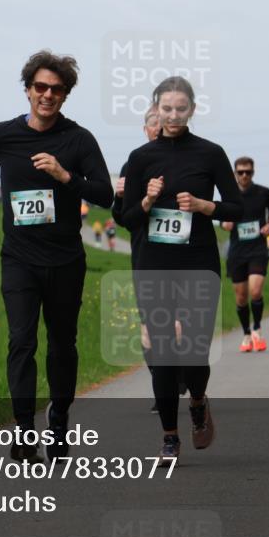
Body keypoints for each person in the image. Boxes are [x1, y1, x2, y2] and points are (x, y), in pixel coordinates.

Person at [0, 50, 113, 463]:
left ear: (65, 94)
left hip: (65, 259)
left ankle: (59, 419)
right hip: (19, 259)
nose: (47, 95)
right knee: (21, 341)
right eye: (41, 87)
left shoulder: (79, 140)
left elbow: (104, 194)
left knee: (62, 346)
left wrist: (64, 175)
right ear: (28, 89)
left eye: (56, 89)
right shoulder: (2, 135)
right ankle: (23, 430)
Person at [121, 76, 242, 464]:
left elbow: (239, 208)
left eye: (181, 108)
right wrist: (146, 200)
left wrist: (206, 207)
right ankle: (170, 437)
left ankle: (199, 400)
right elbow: (124, 218)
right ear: (156, 109)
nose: (173, 115)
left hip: (198, 263)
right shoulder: (140, 158)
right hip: (154, 265)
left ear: (192, 109)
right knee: (162, 350)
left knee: (193, 353)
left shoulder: (210, 153)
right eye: (166, 108)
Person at [112, 106, 185, 415]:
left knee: (177, 327)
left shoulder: (185, 159)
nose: (158, 128)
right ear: (145, 130)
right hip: (145, 253)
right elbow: (121, 217)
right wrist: (119, 196)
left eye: (162, 123)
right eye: (153, 124)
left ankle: (177, 374)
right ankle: (162, 385)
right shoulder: (134, 163)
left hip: (180, 253)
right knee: (150, 329)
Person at [220, 157, 269, 353]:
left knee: (255, 290)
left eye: (248, 172)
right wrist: (224, 224)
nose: (244, 175)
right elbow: (221, 216)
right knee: (241, 297)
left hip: (258, 249)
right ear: (235, 174)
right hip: (237, 251)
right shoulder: (229, 194)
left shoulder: (263, 192)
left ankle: (257, 330)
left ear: (253, 172)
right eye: (241, 172)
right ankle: (246, 333)